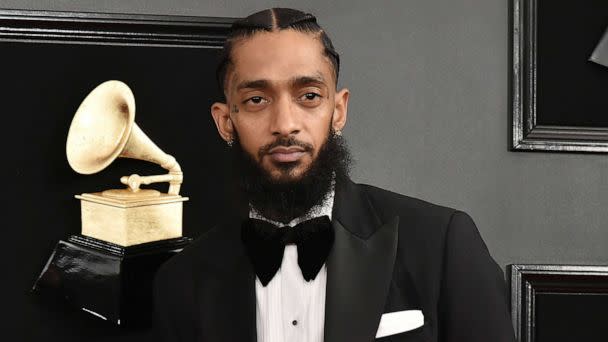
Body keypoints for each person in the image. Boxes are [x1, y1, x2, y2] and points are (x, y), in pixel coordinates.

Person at [154, 8, 516, 342]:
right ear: (225, 121)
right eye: (256, 100)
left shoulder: (442, 244)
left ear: (338, 110)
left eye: (309, 95)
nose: (285, 124)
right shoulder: (181, 283)